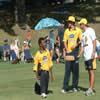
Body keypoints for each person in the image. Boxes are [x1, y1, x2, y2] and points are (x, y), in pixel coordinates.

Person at [61, 16, 82, 93]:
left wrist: (76, 45)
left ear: (73, 23)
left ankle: (74, 87)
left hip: (75, 52)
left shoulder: (78, 30)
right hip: (68, 53)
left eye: (69, 22)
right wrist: (66, 49)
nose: (68, 23)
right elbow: (64, 41)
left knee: (75, 71)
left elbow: (81, 40)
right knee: (67, 70)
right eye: (68, 22)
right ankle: (65, 87)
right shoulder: (66, 31)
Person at [77, 18, 97, 96]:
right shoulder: (82, 34)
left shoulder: (90, 30)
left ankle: (91, 89)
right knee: (89, 72)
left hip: (90, 56)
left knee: (91, 72)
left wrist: (93, 52)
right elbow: (82, 46)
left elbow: (94, 40)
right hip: (86, 56)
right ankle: (90, 88)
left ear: (84, 24)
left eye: (80, 24)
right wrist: (79, 54)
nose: (80, 25)